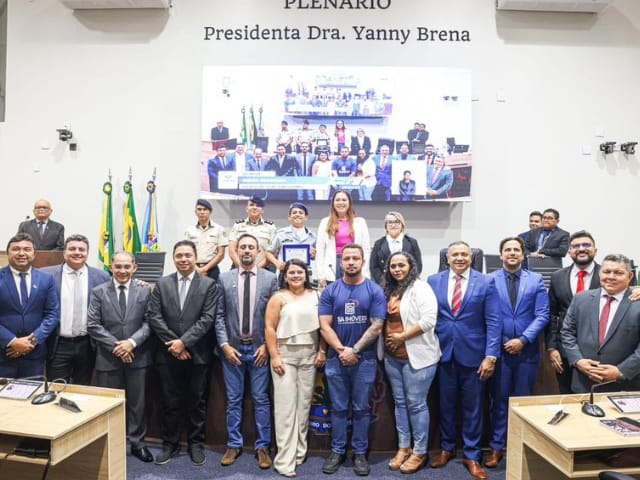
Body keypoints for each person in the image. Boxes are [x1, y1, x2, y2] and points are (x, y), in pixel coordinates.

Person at [427, 241, 501, 480]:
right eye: (455, 254)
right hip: (442, 354)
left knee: (473, 409)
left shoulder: (486, 282)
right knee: (445, 406)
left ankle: (472, 454)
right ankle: (447, 448)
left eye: (464, 254)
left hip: (474, 356)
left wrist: (491, 356)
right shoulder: (433, 281)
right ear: (447, 258)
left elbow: (494, 321)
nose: (459, 258)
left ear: (471, 257)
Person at [148, 240, 220, 467]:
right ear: (174, 258)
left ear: (195, 257)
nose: (183, 259)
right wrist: (175, 345)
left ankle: (195, 444)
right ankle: (170, 443)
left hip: (197, 354)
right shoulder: (162, 283)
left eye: (188, 255)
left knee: (197, 401)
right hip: (167, 354)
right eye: (179, 255)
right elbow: (154, 316)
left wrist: (184, 342)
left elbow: (207, 318)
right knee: (169, 401)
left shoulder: (209, 285)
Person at [318, 244, 387, 476]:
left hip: (364, 359)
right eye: (346, 258)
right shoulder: (330, 290)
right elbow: (324, 325)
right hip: (336, 359)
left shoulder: (374, 290)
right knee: (338, 408)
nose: (350, 262)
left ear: (362, 261)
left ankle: (359, 453)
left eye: (355, 258)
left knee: (361, 409)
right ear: (341, 262)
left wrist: (354, 350)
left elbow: (377, 325)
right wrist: (342, 350)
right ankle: (337, 451)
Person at [215, 234, 278, 469]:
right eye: (243, 247)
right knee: (233, 400)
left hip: (260, 349)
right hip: (233, 350)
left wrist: (267, 346)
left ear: (259, 251)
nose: (247, 251)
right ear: (237, 251)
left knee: (261, 399)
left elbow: (276, 317)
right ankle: (234, 444)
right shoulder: (224, 278)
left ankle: (263, 446)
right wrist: (224, 345)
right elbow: (219, 316)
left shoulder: (270, 279)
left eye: (251, 247)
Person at [486, 236, 549, 468]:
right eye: (508, 250)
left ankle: (520, 446)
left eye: (516, 250)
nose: (512, 253)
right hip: (499, 351)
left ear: (523, 255)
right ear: (501, 255)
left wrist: (523, 339)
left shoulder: (536, 280)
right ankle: (496, 447)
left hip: (527, 351)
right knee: (499, 401)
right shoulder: (489, 280)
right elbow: (487, 315)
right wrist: (502, 342)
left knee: (523, 401)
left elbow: (542, 314)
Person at [87, 252, 154, 463]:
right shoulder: (99, 291)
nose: (122, 271)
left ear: (134, 268)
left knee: (137, 404)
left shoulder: (144, 290)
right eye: (118, 266)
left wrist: (131, 343)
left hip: (138, 356)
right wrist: (117, 347)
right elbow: (93, 324)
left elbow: (150, 322)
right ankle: (110, 442)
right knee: (109, 404)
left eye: (127, 267)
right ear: (111, 267)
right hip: (108, 357)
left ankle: (138, 443)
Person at [265, 259, 327, 477]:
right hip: (285, 357)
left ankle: (299, 452)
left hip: (309, 356)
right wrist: (275, 356)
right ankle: (284, 461)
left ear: (306, 275)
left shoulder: (317, 296)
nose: (296, 276)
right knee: (285, 409)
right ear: (285, 276)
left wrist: (322, 350)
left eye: (300, 272)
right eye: (291, 272)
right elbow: (269, 328)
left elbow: (324, 327)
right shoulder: (278, 297)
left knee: (303, 407)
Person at [382, 252, 439, 474]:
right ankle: (403, 447)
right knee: (400, 403)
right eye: (393, 266)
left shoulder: (421, 288)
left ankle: (419, 451)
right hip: (392, 358)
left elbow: (428, 321)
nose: (397, 269)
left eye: (401, 265)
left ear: (411, 266)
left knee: (416, 404)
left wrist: (402, 337)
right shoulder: (390, 289)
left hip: (418, 357)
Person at [562, 253, 640, 393]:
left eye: (618, 273)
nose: (611, 276)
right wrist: (578, 361)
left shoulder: (637, 303)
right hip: (583, 384)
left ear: (630, 276)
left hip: (625, 385)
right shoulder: (580, 299)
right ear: (599, 274)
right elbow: (567, 332)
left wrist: (621, 371)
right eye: (606, 272)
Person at [41, 234, 111, 385]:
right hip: (58, 344)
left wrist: (139, 282)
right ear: (64, 252)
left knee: (83, 388)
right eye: (72, 249)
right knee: (56, 388)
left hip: (88, 344)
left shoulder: (102, 277)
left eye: (81, 249)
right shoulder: (46, 275)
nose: (77, 252)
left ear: (87, 253)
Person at [547, 231, 600, 394]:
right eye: (576, 246)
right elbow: (552, 314)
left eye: (586, 245)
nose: (581, 249)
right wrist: (552, 347)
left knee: (596, 397)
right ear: (569, 251)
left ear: (595, 250)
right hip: (564, 351)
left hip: (597, 351)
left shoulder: (607, 275)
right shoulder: (557, 277)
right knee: (567, 395)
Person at [0, 233, 59, 377]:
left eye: (27, 249)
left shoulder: (46, 279)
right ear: (8, 253)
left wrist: (31, 342)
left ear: (34, 253)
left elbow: (52, 314)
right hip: (3, 354)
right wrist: (12, 341)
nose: (21, 253)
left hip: (34, 356)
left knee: (32, 391)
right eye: (16, 249)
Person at [316, 190, 370, 288]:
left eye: (344, 200)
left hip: (354, 262)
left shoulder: (360, 222)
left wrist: (365, 271)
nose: (341, 202)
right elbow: (320, 250)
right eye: (338, 200)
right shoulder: (325, 222)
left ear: (349, 203)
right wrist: (321, 274)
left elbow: (366, 249)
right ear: (333, 203)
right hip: (333, 265)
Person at [369, 212, 422, 285]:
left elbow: (418, 265)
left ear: (402, 225)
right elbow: (374, 267)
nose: (393, 225)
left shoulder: (412, 242)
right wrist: (384, 283)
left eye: (397, 222)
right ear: (386, 227)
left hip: (408, 283)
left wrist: (408, 282)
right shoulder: (378, 244)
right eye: (390, 222)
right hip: (385, 285)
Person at [266, 202, 316, 276]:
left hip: (305, 274)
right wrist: (277, 263)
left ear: (306, 217)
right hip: (285, 273)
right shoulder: (281, 234)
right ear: (289, 217)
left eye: (301, 213)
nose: (297, 214)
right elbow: (268, 252)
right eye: (294, 212)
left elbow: (316, 256)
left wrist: (314, 255)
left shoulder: (312, 236)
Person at [228, 196, 277, 271]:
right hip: (239, 267)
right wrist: (242, 268)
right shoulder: (238, 225)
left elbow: (273, 251)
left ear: (262, 210)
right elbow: (232, 250)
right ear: (247, 209)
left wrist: (255, 269)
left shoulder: (271, 227)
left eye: (258, 206)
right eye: (251, 205)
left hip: (264, 268)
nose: (254, 207)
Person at [184, 199, 228, 281]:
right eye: (199, 209)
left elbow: (221, 254)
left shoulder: (219, 229)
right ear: (195, 212)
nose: (202, 212)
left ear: (210, 212)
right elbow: (186, 252)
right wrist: (196, 268)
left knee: (212, 289)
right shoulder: (190, 230)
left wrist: (204, 269)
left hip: (212, 270)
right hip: (193, 268)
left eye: (205, 209)